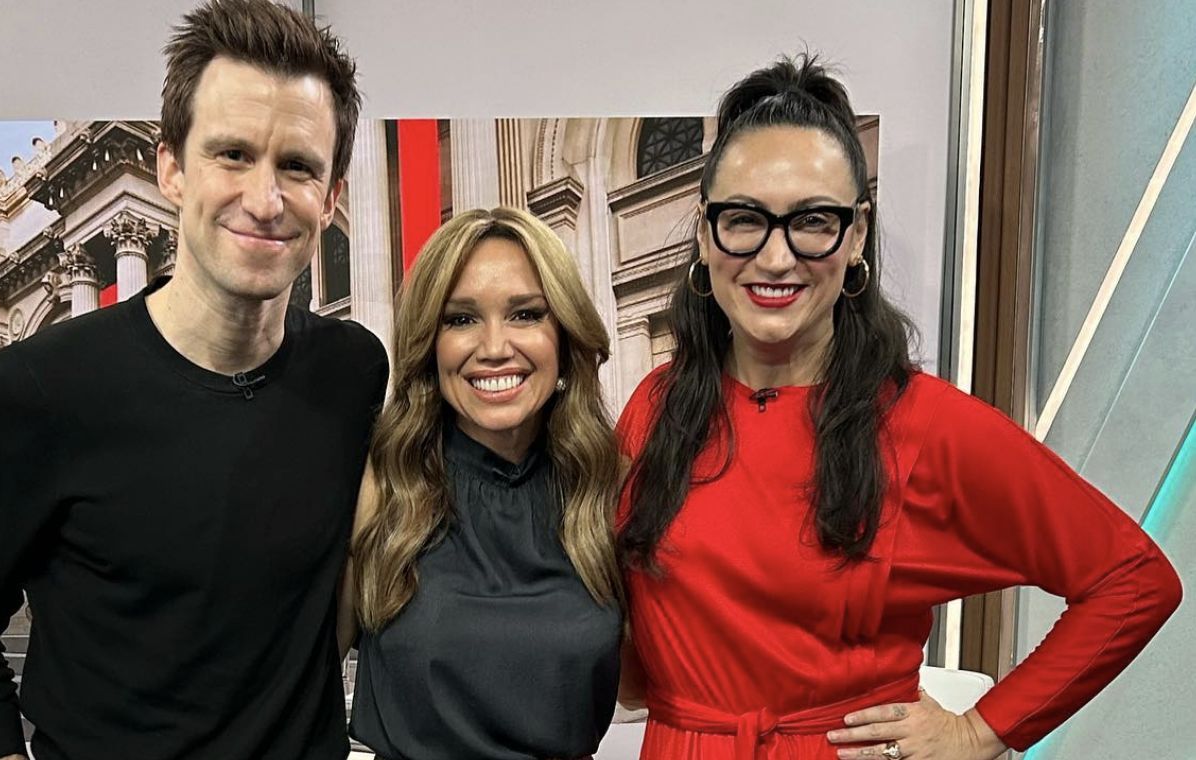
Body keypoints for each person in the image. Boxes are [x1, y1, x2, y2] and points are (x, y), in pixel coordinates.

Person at [615, 54, 1182, 760]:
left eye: (813, 222)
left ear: (855, 238)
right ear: (705, 234)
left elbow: (1132, 580)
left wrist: (981, 729)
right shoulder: (654, 411)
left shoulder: (922, 425)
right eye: (744, 219)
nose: (776, 257)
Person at [0, 2, 387, 759]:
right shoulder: (36, 388)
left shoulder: (353, 370)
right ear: (171, 167)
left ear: (331, 197)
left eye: (297, 165)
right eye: (231, 154)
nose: (264, 200)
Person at [340, 207, 623, 760]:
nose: (494, 347)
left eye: (525, 314)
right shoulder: (381, 483)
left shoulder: (607, 488)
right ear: (430, 345)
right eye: (461, 319)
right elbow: (293, 675)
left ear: (563, 335)